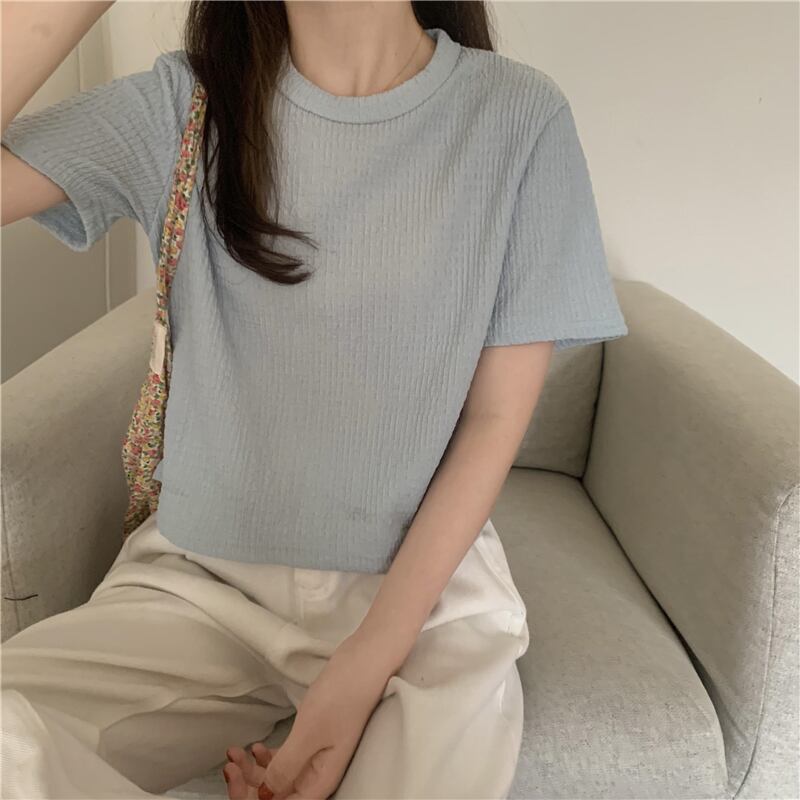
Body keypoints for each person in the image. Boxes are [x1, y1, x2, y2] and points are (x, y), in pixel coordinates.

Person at [0, 1, 629, 798]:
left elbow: (493, 420)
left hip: (421, 601)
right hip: (200, 588)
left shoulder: (517, 115)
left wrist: (363, 667)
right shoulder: (181, 105)